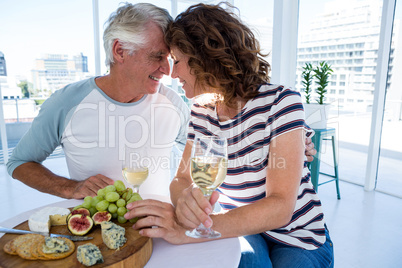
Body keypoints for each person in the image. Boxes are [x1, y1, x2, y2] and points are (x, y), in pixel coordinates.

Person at [161, 3, 333, 267]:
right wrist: (184, 200)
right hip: (244, 225)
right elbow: (181, 178)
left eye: (177, 61)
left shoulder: (281, 101)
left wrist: (198, 231)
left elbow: (280, 207)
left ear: (204, 57)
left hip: (299, 234)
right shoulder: (200, 111)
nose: (172, 74)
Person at [6, 3, 190, 198]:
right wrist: (70, 187)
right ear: (120, 51)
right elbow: (19, 163)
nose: (167, 70)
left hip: (157, 227)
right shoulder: (66, 103)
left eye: (169, 58)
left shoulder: (174, 104)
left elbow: (199, 159)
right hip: (96, 227)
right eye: (157, 56)